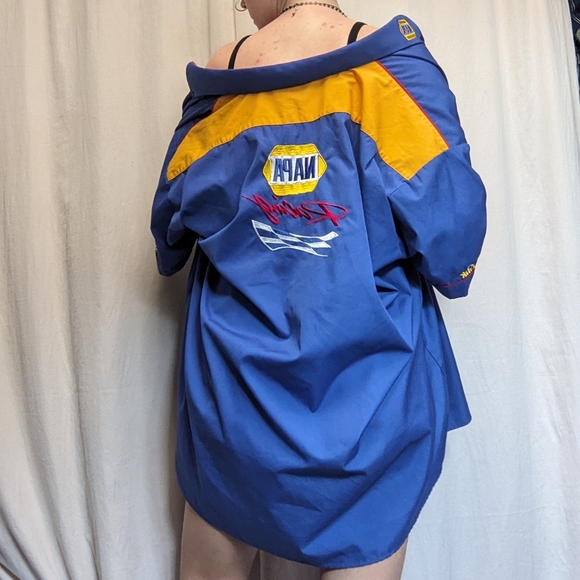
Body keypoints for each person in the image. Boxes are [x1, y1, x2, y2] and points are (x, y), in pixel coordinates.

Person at [151, 1, 486, 578]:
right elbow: (452, 240)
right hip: (373, 392)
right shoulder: (389, 75)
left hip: (237, 390)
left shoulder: (220, 87)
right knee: (369, 534)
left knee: (220, 523)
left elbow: (169, 229)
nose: (239, 3)